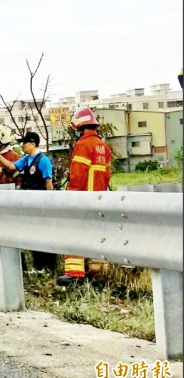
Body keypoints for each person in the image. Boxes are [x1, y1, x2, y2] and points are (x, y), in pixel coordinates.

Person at [57, 108, 112, 286]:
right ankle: (98, 271)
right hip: (100, 198)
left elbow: (78, 175)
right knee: (98, 234)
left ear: (80, 128)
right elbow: (107, 175)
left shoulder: (83, 145)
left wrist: (72, 197)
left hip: (83, 198)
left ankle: (74, 272)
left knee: (75, 233)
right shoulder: (104, 147)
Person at [0, 131, 56, 271]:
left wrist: (49, 203)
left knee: (42, 233)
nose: (23, 146)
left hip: (40, 202)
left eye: (25, 143)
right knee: (33, 233)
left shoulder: (43, 160)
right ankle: (38, 265)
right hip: (29, 202)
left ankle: (47, 266)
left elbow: (48, 182)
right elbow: (12, 166)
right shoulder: (26, 159)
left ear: (32, 143)